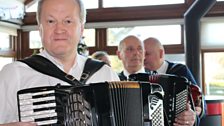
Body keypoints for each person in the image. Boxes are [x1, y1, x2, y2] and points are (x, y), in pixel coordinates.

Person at [0, 0, 119, 125]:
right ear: (40, 28)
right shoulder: (13, 74)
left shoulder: (106, 74)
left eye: (68, 21)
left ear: (82, 28)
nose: (59, 29)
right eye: (51, 21)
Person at [143, 37, 206, 126]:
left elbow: (200, 102)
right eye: (142, 54)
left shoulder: (180, 71)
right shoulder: (141, 76)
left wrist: (195, 114)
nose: (143, 58)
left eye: (147, 54)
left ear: (161, 53)